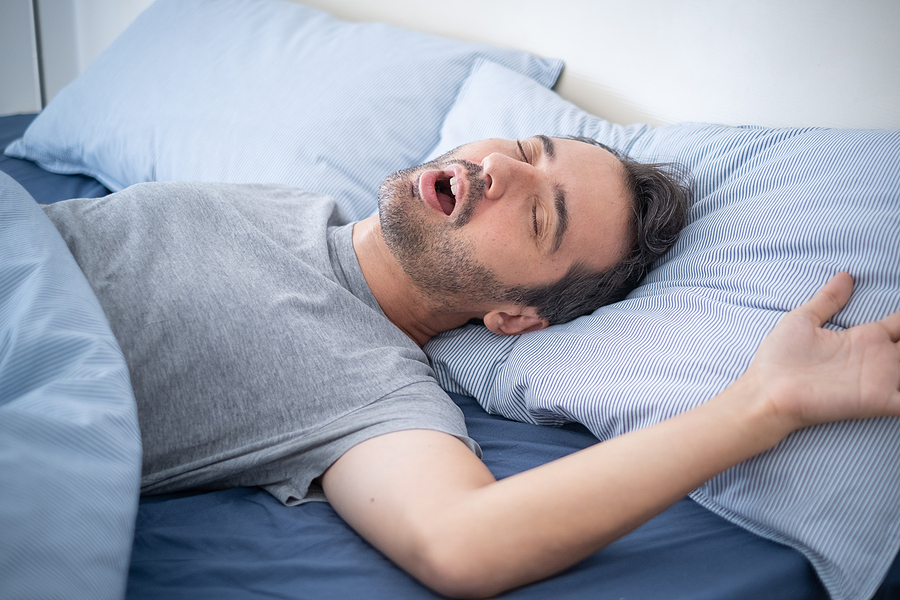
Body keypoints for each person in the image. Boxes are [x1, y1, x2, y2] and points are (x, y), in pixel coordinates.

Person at [44, 135, 900, 599]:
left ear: (514, 317)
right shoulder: (293, 203)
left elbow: (465, 542)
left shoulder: (371, 385)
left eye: (538, 218)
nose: (498, 172)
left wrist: (764, 404)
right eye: (526, 148)